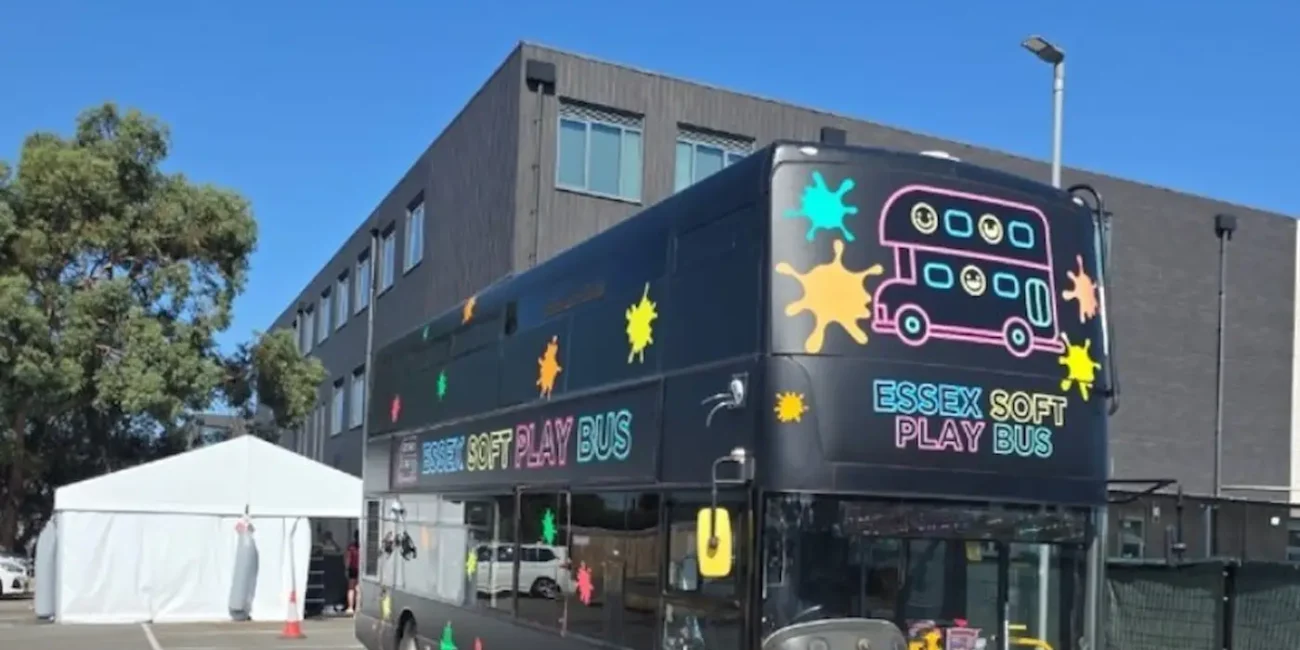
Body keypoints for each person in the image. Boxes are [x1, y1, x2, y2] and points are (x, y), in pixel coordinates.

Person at [346, 530, 360, 615]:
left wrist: (346, 568)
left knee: (351, 589)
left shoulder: (351, 547)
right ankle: (357, 607)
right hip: (361, 569)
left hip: (352, 568)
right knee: (358, 589)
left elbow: (347, 558)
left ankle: (350, 607)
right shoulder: (363, 546)